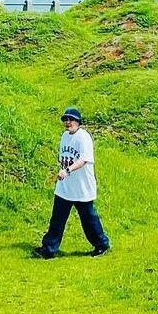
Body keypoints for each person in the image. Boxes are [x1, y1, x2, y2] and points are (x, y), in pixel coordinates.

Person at [33, 107, 110, 259]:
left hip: (81, 188)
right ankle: (48, 249)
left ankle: (102, 245)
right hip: (65, 187)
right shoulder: (64, 136)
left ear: (78, 122)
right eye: (65, 120)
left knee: (89, 220)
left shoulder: (84, 137)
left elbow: (83, 159)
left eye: (71, 119)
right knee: (57, 219)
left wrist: (67, 170)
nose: (68, 123)